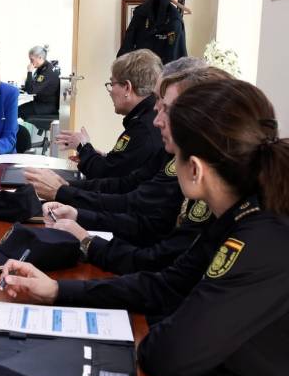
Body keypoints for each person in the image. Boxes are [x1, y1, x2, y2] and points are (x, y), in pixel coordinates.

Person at [0, 79, 289, 376]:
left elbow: (170, 353)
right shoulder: (243, 213)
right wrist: (59, 293)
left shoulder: (260, 239)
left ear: (194, 168)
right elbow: (164, 286)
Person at [45, 66, 231, 274]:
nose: (156, 115)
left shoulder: (147, 133)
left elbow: (128, 196)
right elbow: (133, 192)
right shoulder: (159, 140)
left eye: (164, 104)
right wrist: (73, 201)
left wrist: (69, 197)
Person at [53, 49, 163, 179]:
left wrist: (83, 147)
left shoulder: (143, 128)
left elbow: (107, 175)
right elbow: (122, 166)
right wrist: (103, 157)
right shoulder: (148, 116)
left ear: (127, 87)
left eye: (112, 84)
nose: (110, 91)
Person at [17, 44, 60, 120]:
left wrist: (29, 71)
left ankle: (10, 131)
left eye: (32, 60)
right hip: (41, 103)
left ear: (40, 57)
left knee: (16, 111)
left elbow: (31, 90)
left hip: (47, 106)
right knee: (15, 110)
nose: (30, 62)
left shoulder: (47, 71)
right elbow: (32, 86)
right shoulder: (42, 68)